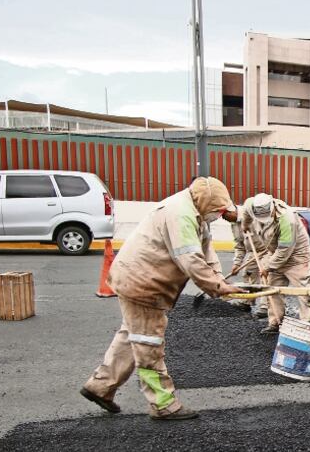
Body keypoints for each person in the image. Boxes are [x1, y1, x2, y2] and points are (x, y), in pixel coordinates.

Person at [80, 176, 244, 420]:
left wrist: (220, 280)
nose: (219, 215)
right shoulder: (180, 215)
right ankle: (163, 404)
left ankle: (100, 386)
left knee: (131, 336)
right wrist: (217, 287)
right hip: (143, 285)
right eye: (217, 211)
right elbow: (190, 259)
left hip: (138, 279)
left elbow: (206, 252)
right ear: (206, 203)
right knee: (148, 343)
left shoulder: (193, 210)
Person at [257, 194, 310, 335]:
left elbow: (285, 249)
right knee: (273, 288)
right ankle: (276, 322)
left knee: (304, 290)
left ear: (272, 208)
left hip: (296, 256)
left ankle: (308, 324)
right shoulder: (257, 210)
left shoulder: (287, 218)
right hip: (276, 254)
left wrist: (268, 266)